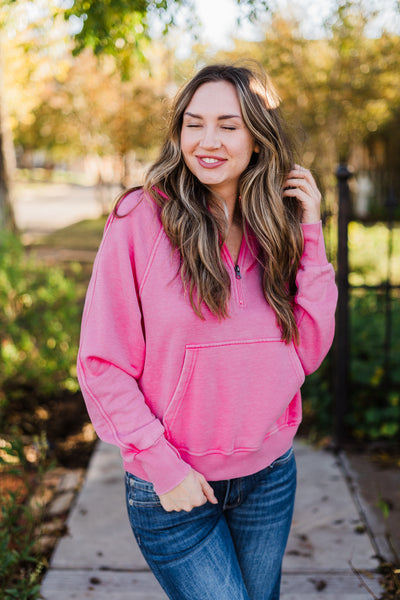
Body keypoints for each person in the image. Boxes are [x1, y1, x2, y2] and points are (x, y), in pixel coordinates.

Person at [77, 63, 338, 600]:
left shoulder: (276, 226)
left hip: (268, 476)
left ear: (259, 139)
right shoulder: (141, 219)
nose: (207, 141)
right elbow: (102, 363)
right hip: (174, 485)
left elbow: (308, 350)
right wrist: (161, 464)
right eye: (193, 124)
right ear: (178, 133)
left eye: (228, 124)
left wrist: (310, 231)